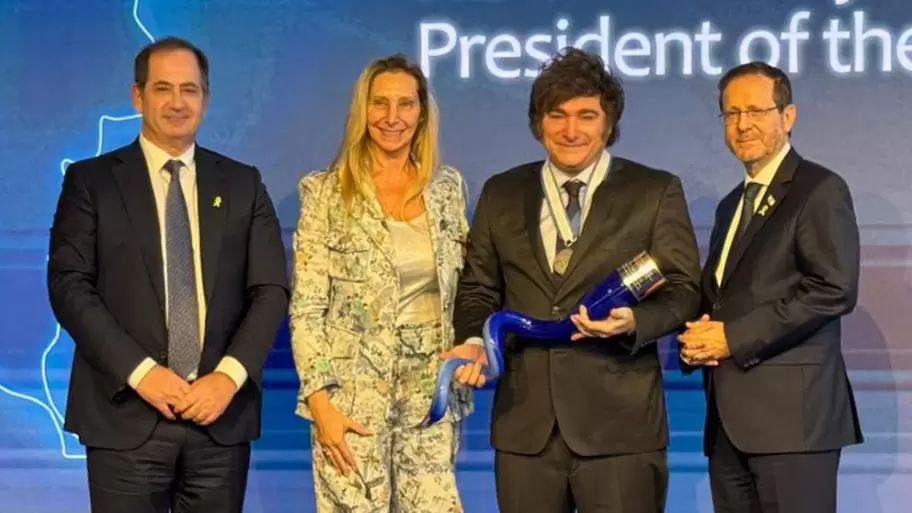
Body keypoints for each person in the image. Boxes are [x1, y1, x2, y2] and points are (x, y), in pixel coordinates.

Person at [449, 47, 701, 513]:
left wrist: (633, 322)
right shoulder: (501, 192)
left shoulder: (654, 191)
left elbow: (685, 290)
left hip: (620, 427)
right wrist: (473, 338)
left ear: (608, 123)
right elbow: (479, 289)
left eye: (586, 115)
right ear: (538, 122)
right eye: (557, 115)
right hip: (526, 429)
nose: (571, 130)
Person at [46, 36, 289, 512]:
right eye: (163, 89)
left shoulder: (242, 183)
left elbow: (271, 290)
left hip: (218, 419)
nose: (177, 102)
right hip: (125, 418)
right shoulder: (91, 181)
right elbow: (69, 285)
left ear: (206, 98)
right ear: (138, 96)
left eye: (190, 90)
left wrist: (227, 379)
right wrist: (143, 374)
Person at [678, 61, 863, 513]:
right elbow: (725, 299)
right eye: (731, 113)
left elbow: (833, 288)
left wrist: (731, 338)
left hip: (793, 426)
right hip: (727, 426)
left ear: (788, 115)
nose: (743, 125)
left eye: (756, 111)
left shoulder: (818, 189)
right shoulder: (729, 207)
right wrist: (696, 338)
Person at [289, 53, 471, 512]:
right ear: (361, 111)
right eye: (380, 104)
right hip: (350, 395)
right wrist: (321, 405)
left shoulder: (447, 187)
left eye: (406, 105)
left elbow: (466, 288)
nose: (393, 118)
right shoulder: (325, 191)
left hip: (432, 390)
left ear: (422, 112)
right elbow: (307, 308)